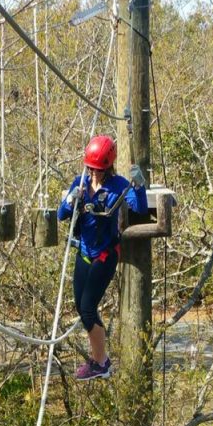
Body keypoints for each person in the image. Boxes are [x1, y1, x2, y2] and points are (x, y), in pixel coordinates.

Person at [58, 134, 148, 380]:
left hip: (105, 255)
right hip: (84, 253)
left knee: (88, 308)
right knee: (81, 307)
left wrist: (139, 186)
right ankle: (101, 359)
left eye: (99, 170)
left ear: (108, 167)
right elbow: (61, 215)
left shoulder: (118, 185)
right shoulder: (81, 183)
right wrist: (70, 200)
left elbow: (139, 208)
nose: (95, 174)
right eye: (92, 169)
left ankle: (100, 362)